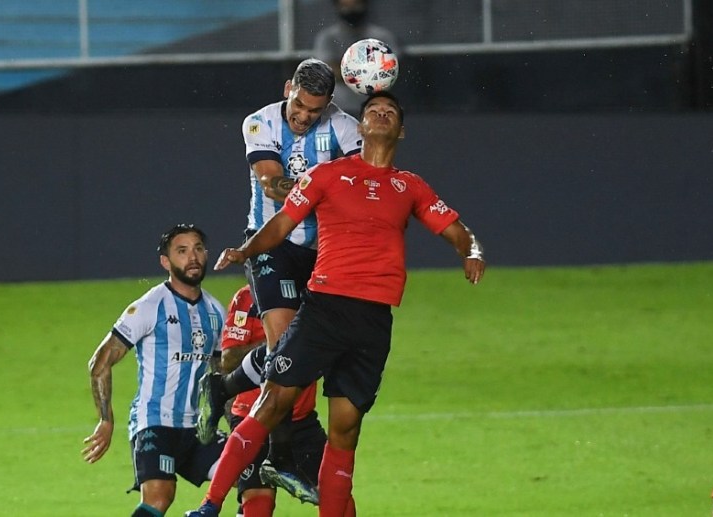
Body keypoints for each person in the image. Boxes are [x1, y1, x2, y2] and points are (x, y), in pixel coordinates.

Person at [184, 91, 486, 517]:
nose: (380, 114)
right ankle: (209, 504)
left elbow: (455, 229)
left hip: (373, 320)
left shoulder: (410, 186)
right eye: (373, 111)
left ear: (401, 130)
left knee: (346, 430)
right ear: (360, 128)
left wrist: (471, 251)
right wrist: (246, 251)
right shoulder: (327, 175)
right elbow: (282, 223)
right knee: (272, 402)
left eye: (390, 112)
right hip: (324, 310)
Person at [199, 57, 361, 502]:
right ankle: (280, 457)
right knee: (286, 345)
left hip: (322, 253)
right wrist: (327, 188)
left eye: (315, 110)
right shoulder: (260, 123)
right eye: (299, 105)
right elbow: (272, 183)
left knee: (299, 354)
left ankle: (223, 386)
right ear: (288, 88)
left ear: (329, 105)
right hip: (270, 242)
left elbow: (362, 182)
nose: (304, 116)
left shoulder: (346, 129)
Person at [82, 224, 228, 517]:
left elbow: (221, 377)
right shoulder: (150, 306)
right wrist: (106, 420)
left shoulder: (215, 312)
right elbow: (100, 363)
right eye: (182, 251)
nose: (193, 257)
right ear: (166, 262)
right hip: (155, 422)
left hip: (196, 428)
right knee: (160, 496)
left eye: (198, 249)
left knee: (250, 475)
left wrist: (237, 424)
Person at [216, 284, 327, 516]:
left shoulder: (312, 294)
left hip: (300, 418)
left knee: (335, 492)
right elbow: (228, 359)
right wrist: (275, 345)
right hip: (254, 416)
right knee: (258, 502)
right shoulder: (248, 297)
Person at [314, 0, 401, 118]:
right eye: (346, 7)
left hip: (378, 109)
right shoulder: (327, 38)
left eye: (356, 5)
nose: (351, 11)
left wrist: (349, 69)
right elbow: (331, 71)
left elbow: (389, 69)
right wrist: (371, 70)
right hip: (339, 110)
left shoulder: (383, 36)